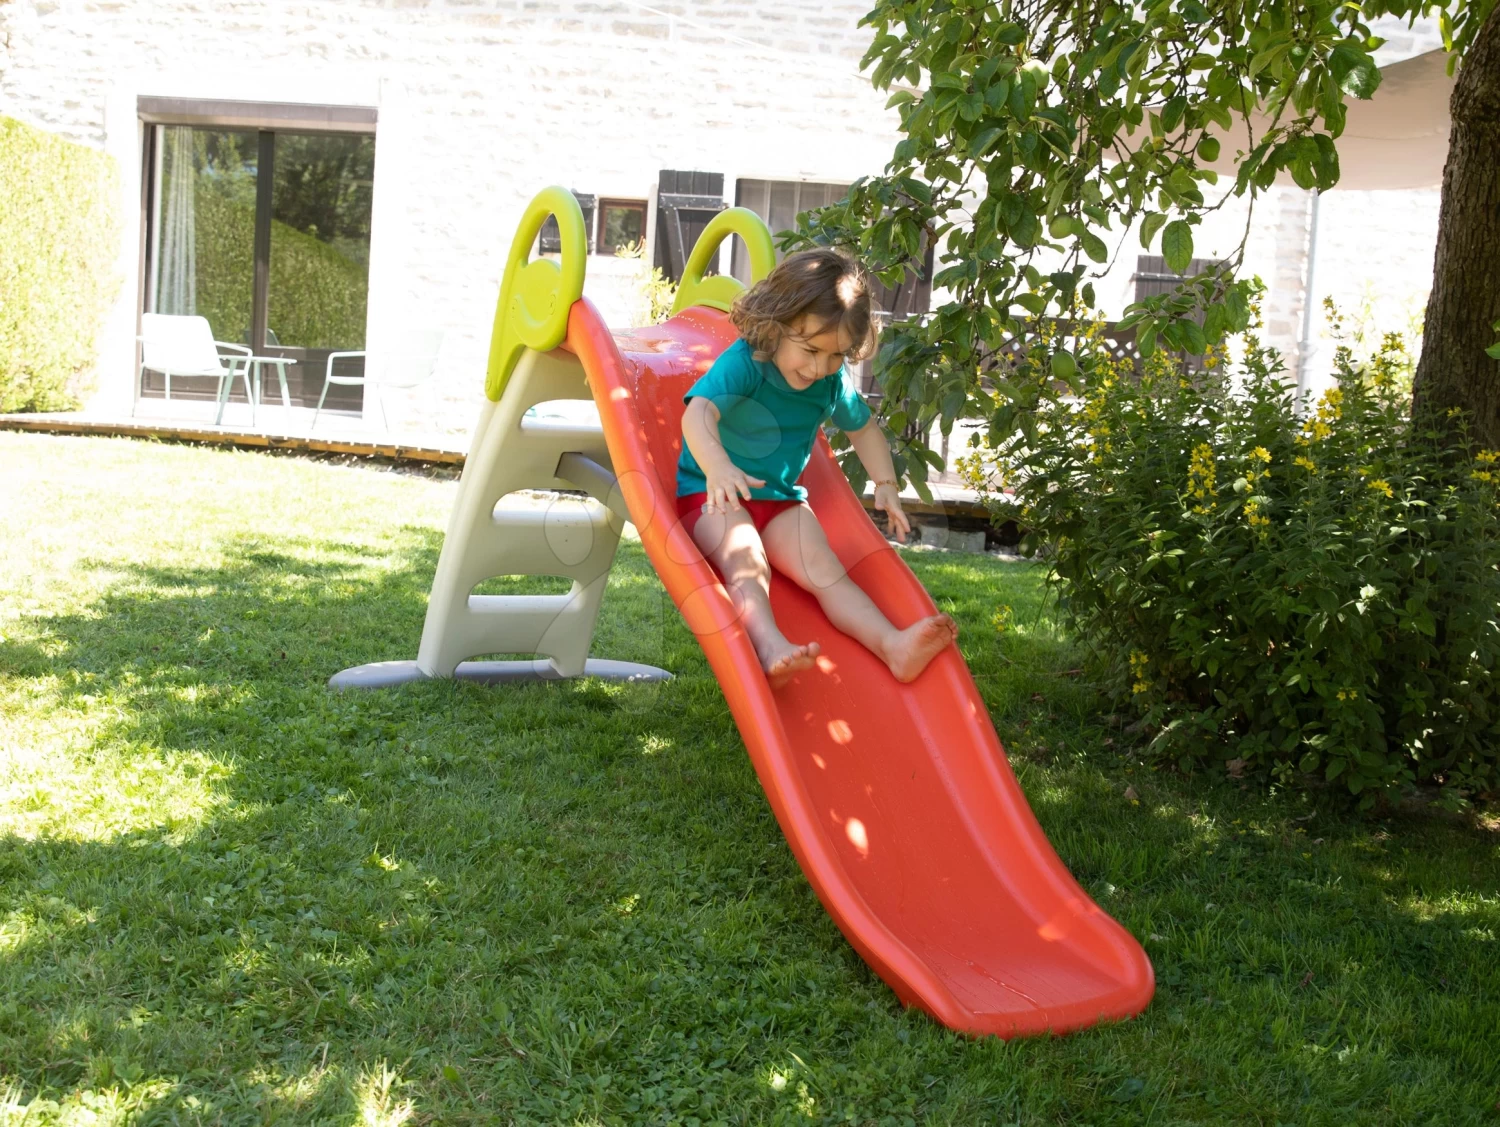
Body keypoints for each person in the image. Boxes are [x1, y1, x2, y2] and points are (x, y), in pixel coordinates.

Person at [676, 247, 958, 686]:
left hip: (780, 501)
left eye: (836, 355)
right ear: (776, 325)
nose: (819, 367)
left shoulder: (829, 382)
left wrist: (885, 482)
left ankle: (893, 647)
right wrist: (718, 467)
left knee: (827, 571)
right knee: (748, 563)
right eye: (810, 350)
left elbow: (863, 428)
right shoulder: (747, 362)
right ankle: (769, 648)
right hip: (713, 494)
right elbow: (698, 413)